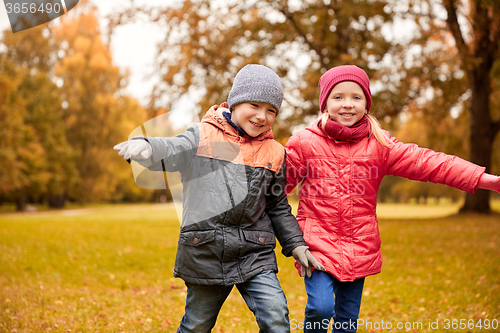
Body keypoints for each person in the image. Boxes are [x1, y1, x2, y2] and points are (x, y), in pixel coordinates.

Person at [284, 65, 500, 333]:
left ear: (367, 103)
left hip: (359, 244)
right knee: (321, 308)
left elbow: (428, 163)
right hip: (316, 246)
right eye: (338, 97)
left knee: (347, 321)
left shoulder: (380, 144)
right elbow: (277, 187)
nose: (347, 104)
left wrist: (485, 179)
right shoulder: (304, 142)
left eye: (356, 97)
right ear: (325, 102)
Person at [114, 64, 324, 333]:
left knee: (277, 319)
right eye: (254, 105)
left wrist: (296, 245)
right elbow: (174, 148)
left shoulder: (275, 153)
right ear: (235, 103)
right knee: (197, 325)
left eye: (271, 110)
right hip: (207, 250)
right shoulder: (202, 135)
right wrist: (149, 146)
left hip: (254, 252)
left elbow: (278, 208)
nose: (262, 116)